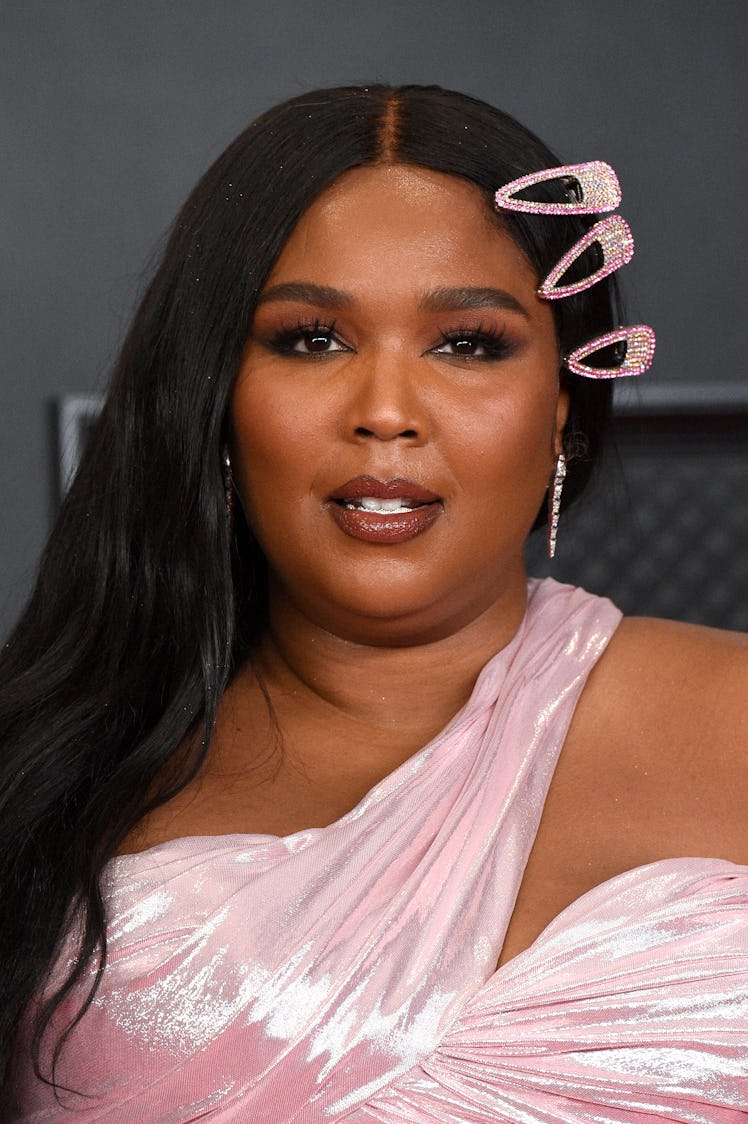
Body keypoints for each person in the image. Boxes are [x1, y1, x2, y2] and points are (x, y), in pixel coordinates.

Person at [1, 84, 746, 1121]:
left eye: (468, 343)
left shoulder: (734, 723)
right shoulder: (46, 780)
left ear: (561, 411)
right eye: (311, 339)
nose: (386, 412)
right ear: (216, 398)